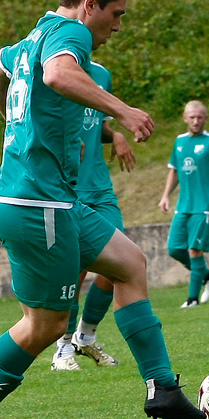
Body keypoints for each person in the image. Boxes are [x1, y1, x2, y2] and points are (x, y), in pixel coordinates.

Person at [0, 0, 206, 419]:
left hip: (45, 198)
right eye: (116, 14)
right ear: (89, 4)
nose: (118, 26)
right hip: (39, 204)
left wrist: (16, 123)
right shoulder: (72, 36)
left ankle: (162, 387)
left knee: (130, 264)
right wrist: (121, 108)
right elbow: (59, 76)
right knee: (46, 326)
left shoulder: (33, 36)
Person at [51, 60, 135, 371]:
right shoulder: (52, 68)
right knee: (75, 270)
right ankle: (62, 347)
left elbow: (93, 123)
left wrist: (114, 135)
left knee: (121, 263)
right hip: (68, 188)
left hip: (100, 189)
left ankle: (85, 337)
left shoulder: (101, 74)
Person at [158, 100, 209, 308]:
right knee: (174, 248)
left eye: (200, 117)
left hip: (205, 206)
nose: (196, 121)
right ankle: (208, 275)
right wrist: (165, 196)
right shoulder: (179, 142)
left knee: (194, 250)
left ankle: (192, 299)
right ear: (185, 118)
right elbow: (174, 171)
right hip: (184, 206)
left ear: (206, 118)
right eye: (192, 117)